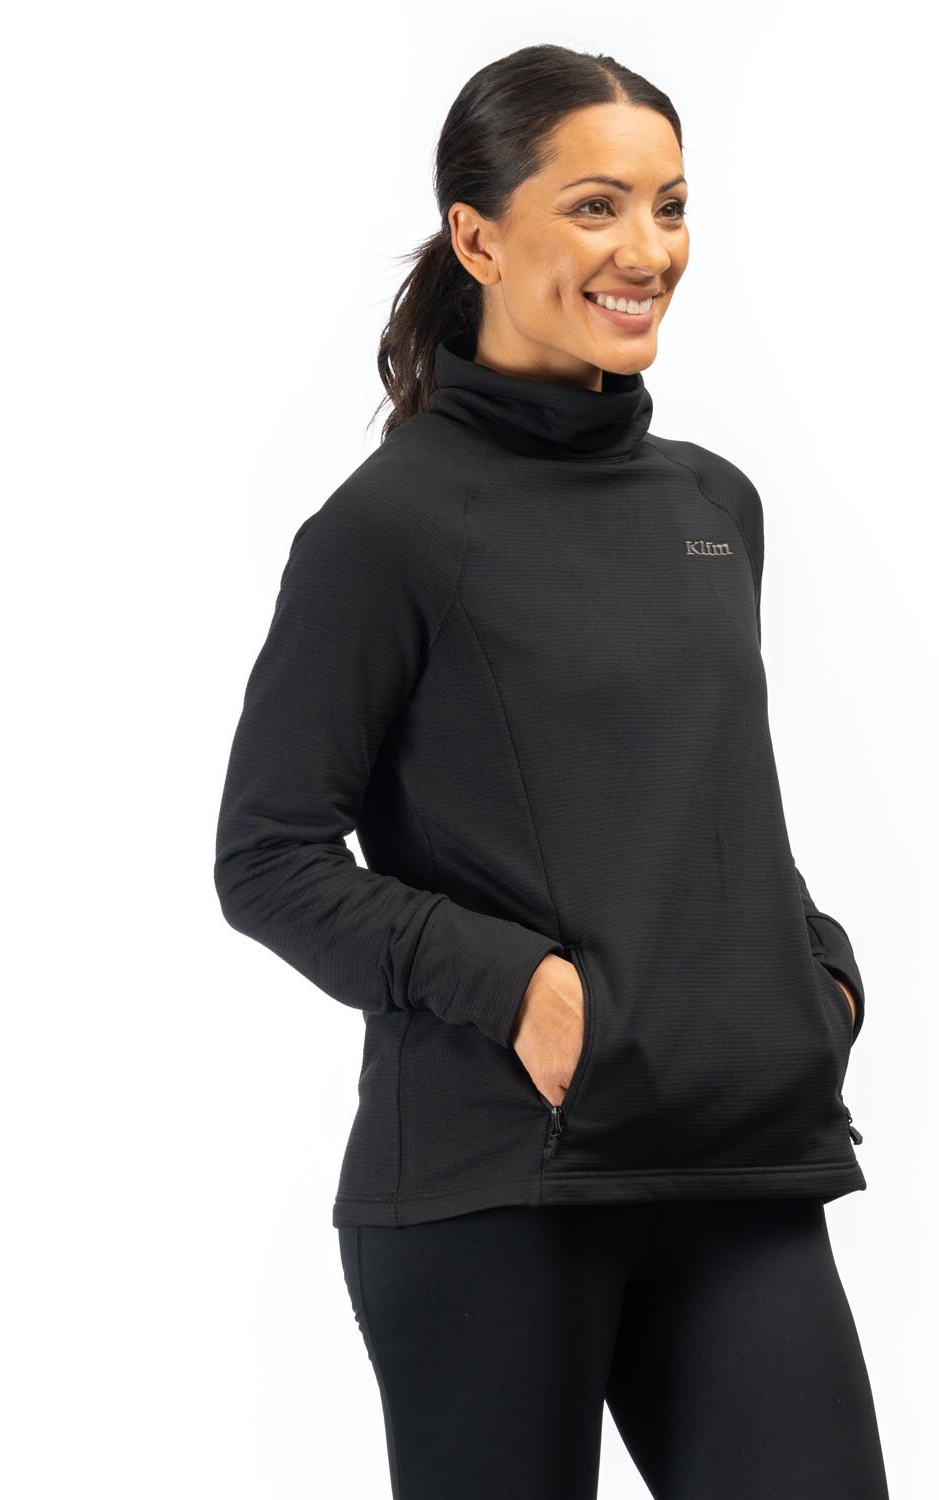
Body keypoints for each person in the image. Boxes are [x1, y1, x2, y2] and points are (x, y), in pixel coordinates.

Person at [214, 42, 889, 1500]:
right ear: (478, 237)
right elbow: (266, 857)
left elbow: (699, 799)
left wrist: (814, 975)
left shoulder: (712, 503)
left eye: (670, 205)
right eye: (596, 206)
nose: (647, 251)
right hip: (491, 1188)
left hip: (737, 1161)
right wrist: (519, 986)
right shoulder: (390, 528)